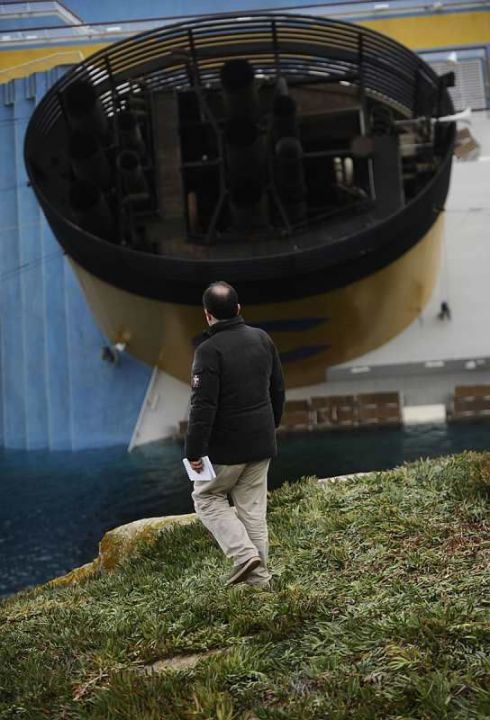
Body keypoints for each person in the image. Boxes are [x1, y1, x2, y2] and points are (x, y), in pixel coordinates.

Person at [184, 281, 285, 588]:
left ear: (207, 315)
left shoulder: (208, 351)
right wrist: (271, 426)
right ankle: (261, 583)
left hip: (226, 449)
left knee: (207, 498)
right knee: (253, 512)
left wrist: (194, 451)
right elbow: (277, 389)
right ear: (238, 309)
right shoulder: (262, 339)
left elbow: (203, 406)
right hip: (261, 442)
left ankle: (243, 556)